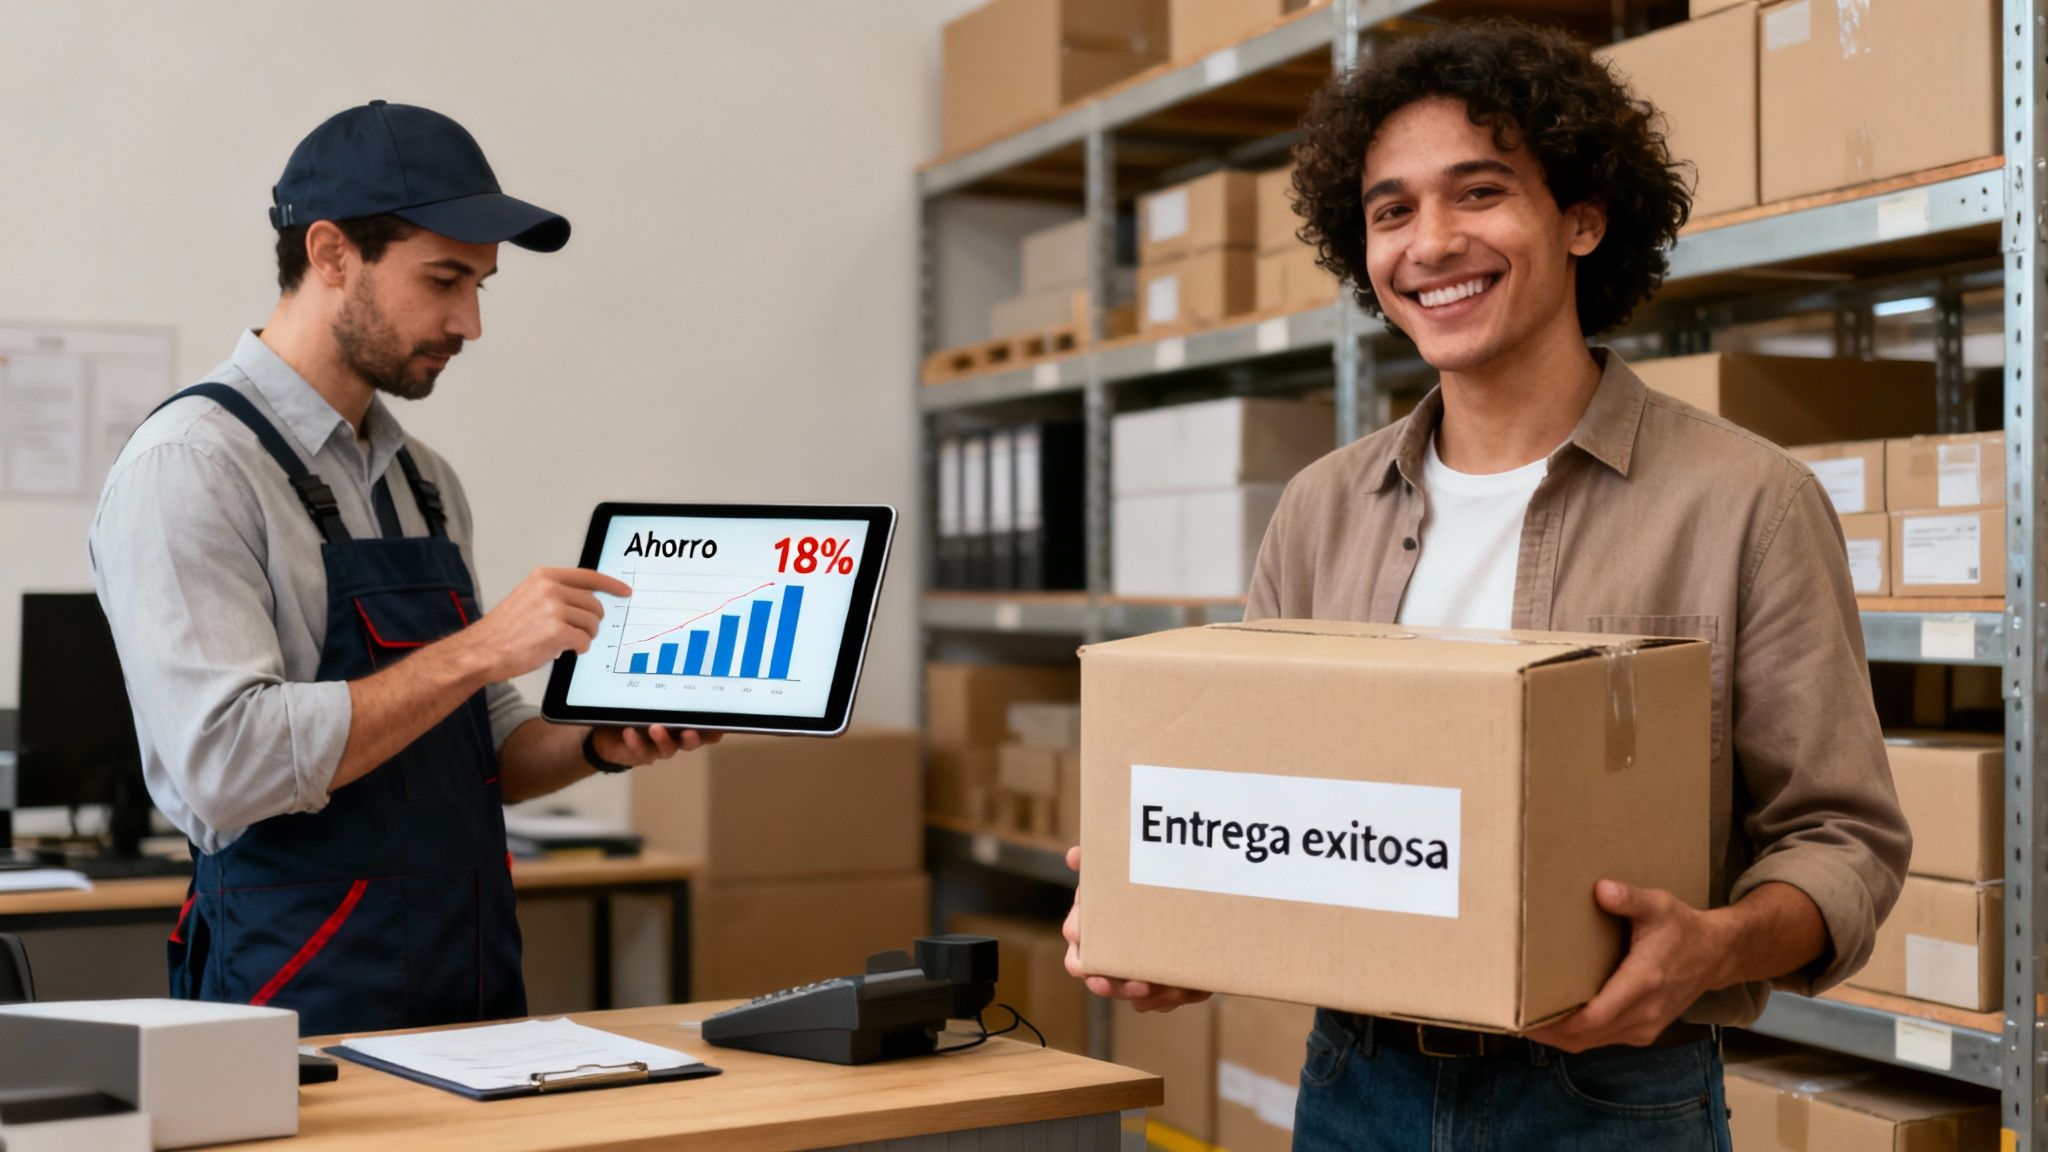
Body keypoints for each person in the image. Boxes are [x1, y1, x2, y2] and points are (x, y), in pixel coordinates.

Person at [1063, 20, 1910, 1148]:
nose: (1430, 244)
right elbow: (1279, 813)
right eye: (1391, 210)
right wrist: (1176, 918)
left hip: (1608, 1097)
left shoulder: (1744, 501)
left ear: (1580, 216)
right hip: (1354, 1082)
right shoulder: (1320, 509)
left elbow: (1841, 840)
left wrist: (1713, 946)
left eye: (1477, 193)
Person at [90, 100, 714, 1036]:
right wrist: (479, 649)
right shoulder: (191, 467)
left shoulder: (424, 479)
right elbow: (222, 764)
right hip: (291, 1000)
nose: (469, 322)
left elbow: (481, 740)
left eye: (482, 287)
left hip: (469, 985)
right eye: (444, 278)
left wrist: (592, 742)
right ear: (332, 254)